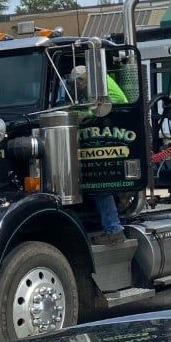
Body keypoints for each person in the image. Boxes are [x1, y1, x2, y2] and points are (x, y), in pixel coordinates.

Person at [69, 64, 128, 244]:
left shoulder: (102, 84)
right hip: (104, 132)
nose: (76, 87)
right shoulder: (93, 86)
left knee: (101, 184)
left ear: (83, 80)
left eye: (78, 83)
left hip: (117, 131)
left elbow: (116, 100)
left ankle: (114, 229)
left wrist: (85, 113)